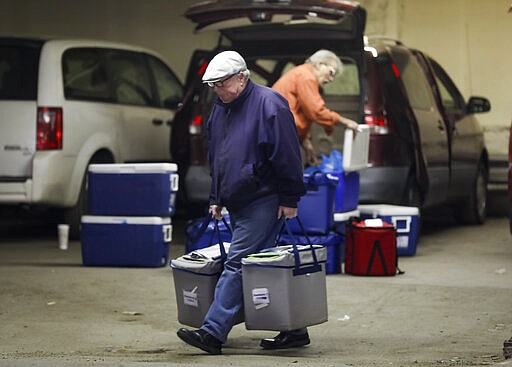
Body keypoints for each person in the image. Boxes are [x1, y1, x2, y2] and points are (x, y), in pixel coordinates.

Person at [176, 50, 307, 354]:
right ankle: (295, 329)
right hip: (237, 200)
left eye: (221, 83)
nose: (217, 90)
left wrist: (290, 197)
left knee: (236, 264)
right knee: (260, 266)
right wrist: (216, 197)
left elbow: (287, 154)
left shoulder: (269, 104)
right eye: (212, 85)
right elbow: (218, 157)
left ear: (241, 77)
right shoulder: (220, 107)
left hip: (264, 198)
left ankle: (212, 333)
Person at [272, 49, 359, 166]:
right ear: (320, 65)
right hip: (277, 134)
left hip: (278, 134)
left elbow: (300, 113)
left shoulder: (300, 74)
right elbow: (316, 111)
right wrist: (346, 122)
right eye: (331, 73)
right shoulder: (306, 77)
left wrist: (308, 147)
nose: (331, 79)